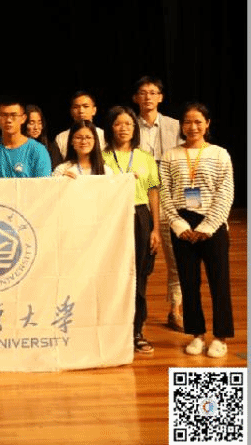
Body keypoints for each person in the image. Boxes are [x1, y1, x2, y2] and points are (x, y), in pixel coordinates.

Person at [160, 103, 234, 358]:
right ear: (181, 125)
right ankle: (197, 335)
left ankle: (221, 337)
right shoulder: (170, 155)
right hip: (182, 225)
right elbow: (165, 193)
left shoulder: (220, 154)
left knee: (219, 283)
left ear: (207, 124)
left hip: (213, 224)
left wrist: (208, 226)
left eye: (198, 122)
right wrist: (179, 226)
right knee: (188, 283)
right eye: (188, 122)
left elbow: (225, 193)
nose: (193, 127)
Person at [102, 106, 161, 354]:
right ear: (110, 128)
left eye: (128, 124)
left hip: (140, 217)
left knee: (139, 276)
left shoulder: (145, 157)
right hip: (111, 219)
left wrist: (156, 229)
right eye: (118, 124)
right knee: (111, 275)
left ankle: (137, 330)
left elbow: (153, 193)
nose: (123, 128)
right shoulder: (101, 157)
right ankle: (111, 331)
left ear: (135, 129)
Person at [131, 76, 184, 330]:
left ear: (160, 97)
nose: (148, 97)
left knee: (176, 257)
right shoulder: (128, 124)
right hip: (139, 198)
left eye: (153, 92)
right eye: (143, 92)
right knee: (140, 259)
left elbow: (187, 160)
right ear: (135, 98)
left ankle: (175, 309)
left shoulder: (175, 125)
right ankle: (136, 313)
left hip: (171, 198)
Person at [0, 97, 52, 178]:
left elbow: (44, 184)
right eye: (4, 115)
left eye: (13, 115)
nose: (8, 120)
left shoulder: (38, 150)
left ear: (23, 118)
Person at [54, 91, 106, 159]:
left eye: (86, 106)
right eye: (76, 107)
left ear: (94, 110)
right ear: (71, 111)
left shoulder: (104, 136)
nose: (81, 111)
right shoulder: (61, 138)